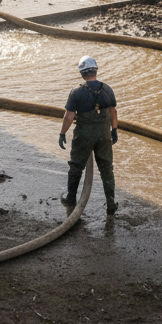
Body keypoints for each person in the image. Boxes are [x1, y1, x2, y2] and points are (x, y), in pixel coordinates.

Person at [59, 55, 118, 213]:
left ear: (82, 73)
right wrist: (114, 130)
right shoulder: (107, 89)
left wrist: (62, 133)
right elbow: (113, 111)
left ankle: (71, 197)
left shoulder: (76, 92)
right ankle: (111, 202)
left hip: (84, 135)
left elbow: (69, 116)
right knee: (106, 168)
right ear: (96, 71)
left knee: (76, 166)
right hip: (103, 135)